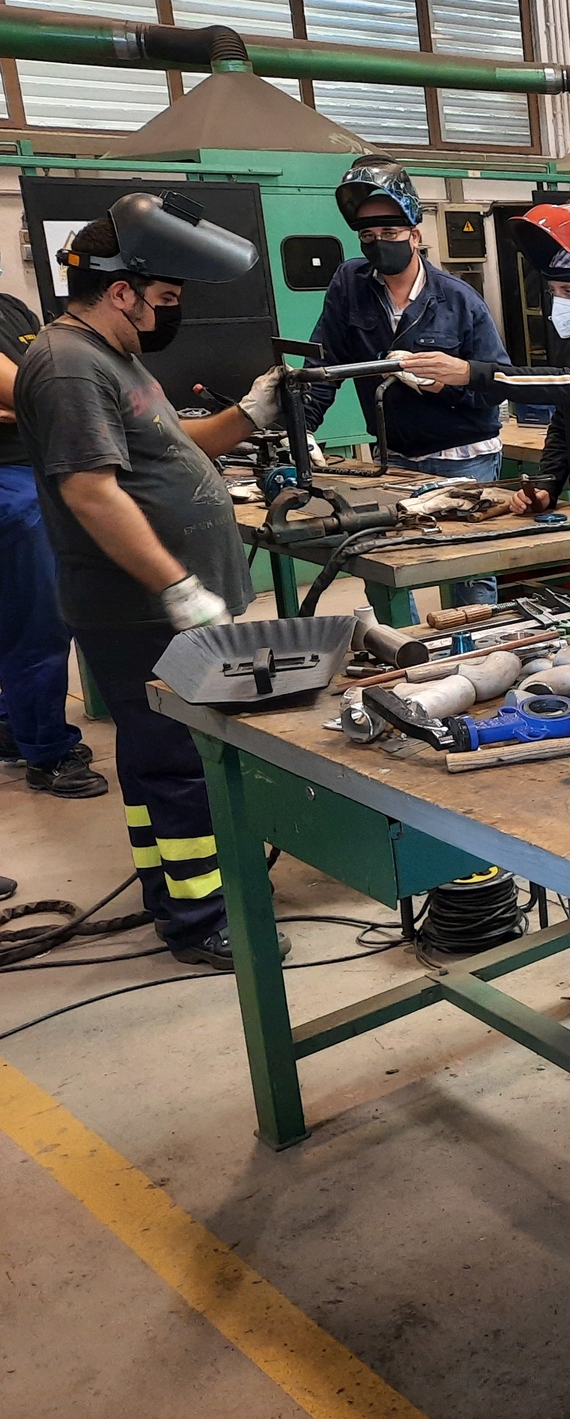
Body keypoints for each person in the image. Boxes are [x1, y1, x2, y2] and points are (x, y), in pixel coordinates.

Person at [11, 194, 295, 969]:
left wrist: (251, 411)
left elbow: (179, 446)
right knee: (177, 761)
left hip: (162, 607)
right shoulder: (69, 363)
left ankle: (168, 889)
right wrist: (177, 588)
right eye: (164, 299)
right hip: (138, 610)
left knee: (152, 756)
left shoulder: (113, 357)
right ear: (122, 290)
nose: (170, 313)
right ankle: (202, 918)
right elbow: (91, 491)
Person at [302, 155, 510, 606]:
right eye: (368, 236)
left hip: (462, 457)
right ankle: (410, 658)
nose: (378, 244)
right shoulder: (349, 284)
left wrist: (446, 384)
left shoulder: (458, 300)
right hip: (393, 457)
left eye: (390, 234)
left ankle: (479, 668)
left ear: (415, 234)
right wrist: (301, 427)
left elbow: (497, 384)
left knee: (467, 574)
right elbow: (326, 363)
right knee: (385, 566)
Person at [397, 198, 570, 516]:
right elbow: (563, 426)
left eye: (569, 292)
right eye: (554, 291)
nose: (559, 301)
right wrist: (547, 486)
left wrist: (471, 372)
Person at [0, 289, 106, 798]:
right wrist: (43, 403)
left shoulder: (10, 307)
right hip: (12, 485)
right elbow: (45, 393)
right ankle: (47, 752)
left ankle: (12, 726)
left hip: (37, 465)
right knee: (37, 620)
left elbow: (35, 388)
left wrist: (28, 404)